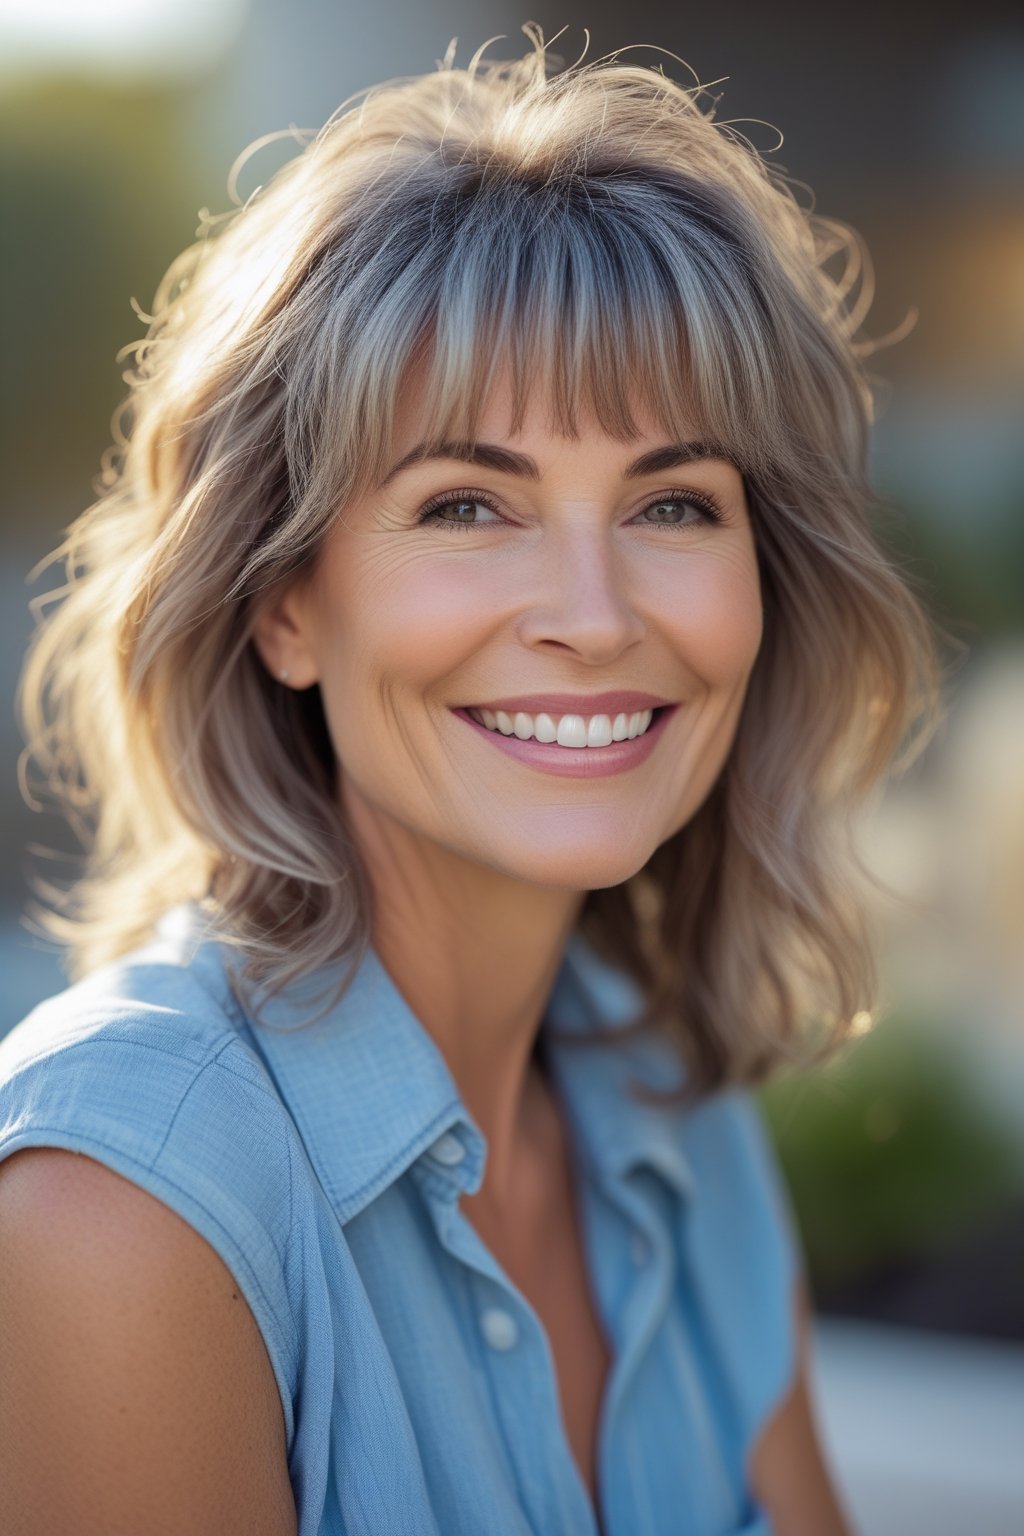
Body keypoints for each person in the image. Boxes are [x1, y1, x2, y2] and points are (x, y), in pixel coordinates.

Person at [0, 25, 942, 1536]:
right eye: (466, 502)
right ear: (282, 604)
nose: (595, 610)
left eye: (675, 502)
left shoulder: (673, 1106)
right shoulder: (123, 1206)